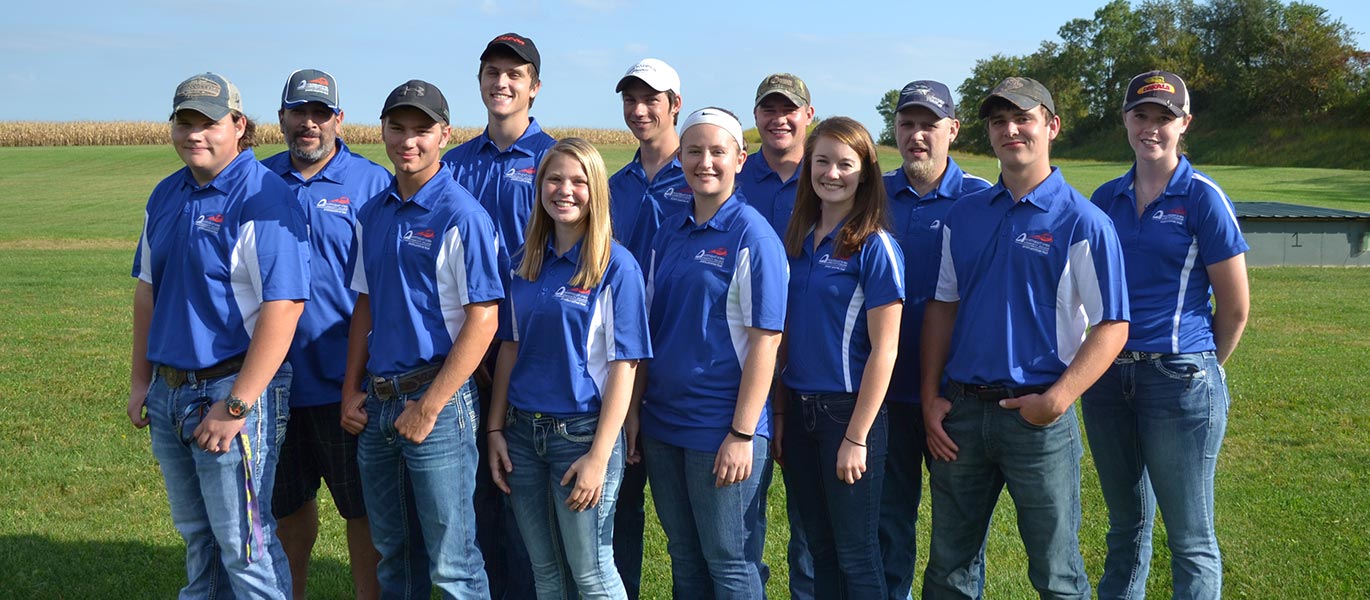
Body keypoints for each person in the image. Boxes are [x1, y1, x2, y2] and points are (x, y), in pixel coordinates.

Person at [920, 77, 1130, 600]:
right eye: (997, 121)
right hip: (963, 416)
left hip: (1037, 418)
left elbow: (1112, 325)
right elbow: (943, 308)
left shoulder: (1084, 221)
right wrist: (930, 397)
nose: (1010, 130)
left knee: (1057, 573)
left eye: (1023, 119)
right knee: (949, 570)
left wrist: (1057, 400)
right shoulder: (963, 215)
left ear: (1051, 127)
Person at [128, 72, 308, 599]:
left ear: (239, 126)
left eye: (208, 122)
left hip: (231, 391)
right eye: (185, 121)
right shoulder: (166, 193)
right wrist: (142, 381)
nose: (195, 134)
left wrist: (236, 406)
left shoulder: (263, 198)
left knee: (244, 545)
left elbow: (285, 306)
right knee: (199, 540)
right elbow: (147, 291)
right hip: (170, 391)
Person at [1083, 70, 1249, 600]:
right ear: (1126, 120)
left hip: (1179, 379)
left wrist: (1199, 366)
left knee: (1190, 538)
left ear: (1184, 124)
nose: (1151, 127)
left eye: (1164, 117)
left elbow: (1236, 308)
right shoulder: (1105, 197)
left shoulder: (1202, 197)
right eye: (1141, 115)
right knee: (1125, 529)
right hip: (1108, 380)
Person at [342, 79, 502, 598]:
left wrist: (430, 407)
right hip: (380, 403)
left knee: (452, 565)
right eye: (398, 128)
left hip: (438, 401)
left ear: (444, 135)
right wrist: (350, 390)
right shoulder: (374, 212)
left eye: (422, 130)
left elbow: (484, 320)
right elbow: (364, 303)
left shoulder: (461, 214)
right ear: (382, 132)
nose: (408, 141)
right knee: (395, 557)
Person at [488, 137, 652, 599]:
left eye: (578, 181)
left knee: (592, 573)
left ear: (596, 191)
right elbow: (510, 348)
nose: (565, 190)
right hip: (522, 435)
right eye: (554, 179)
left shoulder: (616, 267)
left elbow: (626, 365)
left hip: (581, 436)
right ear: (539, 186)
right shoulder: (524, 262)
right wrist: (495, 429)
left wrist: (600, 456)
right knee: (546, 573)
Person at [639, 107, 788, 597]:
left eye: (718, 151)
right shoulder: (669, 230)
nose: (705, 162)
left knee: (730, 564)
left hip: (721, 428)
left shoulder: (753, 236)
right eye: (694, 151)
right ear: (679, 157)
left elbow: (767, 342)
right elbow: (648, 329)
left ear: (740, 159)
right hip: (664, 424)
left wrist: (743, 432)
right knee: (684, 558)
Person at [262, 68, 391, 600]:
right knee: (287, 508)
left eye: (320, 113)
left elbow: (389, 290)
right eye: (299, 113)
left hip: (346, 383)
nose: (309, 124)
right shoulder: (257, 183)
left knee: (362, 511)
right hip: (271, 382)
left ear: (339, 119)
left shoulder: (371, 183)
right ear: (282, 119)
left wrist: (367, 379)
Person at [441, 33, 554, 597]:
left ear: (534, 85)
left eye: (515, 73)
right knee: (474, 491)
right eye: (492, 72)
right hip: (463, 353)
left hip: (530, 352)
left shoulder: (554, 161)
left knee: (523, 492)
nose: (501, 83)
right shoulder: (455, 164)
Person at [777, 116, 904, 598]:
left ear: (866, 173)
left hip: (847, 415)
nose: (831, 173)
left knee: (857, 553)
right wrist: (784, 413)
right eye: (822, 161)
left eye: (845, 164)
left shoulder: (875, 246)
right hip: (802, 409)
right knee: (819, 549)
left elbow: (885, 350)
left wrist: (857, 437)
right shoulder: (798, 243)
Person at [879, 80, 991, 600]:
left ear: (953, 130)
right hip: (882, 392)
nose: (918, 136)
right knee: (887, 528)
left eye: (930, 125)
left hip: (958, 398)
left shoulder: (983, 200)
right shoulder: (870, 194)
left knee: (958, 539)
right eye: (908, 125)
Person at [605, 57, 691, 600]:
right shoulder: (615, 186)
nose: (639, 111)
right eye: (631, 100)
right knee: (620, 505)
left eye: (651, 100)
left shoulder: (705, 171)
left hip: (684, 359)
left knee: (696, 530)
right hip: (621, 358)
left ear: (674, 105)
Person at [739, 71, 817, 598]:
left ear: (807, 114)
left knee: (813, 523)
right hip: (748, 362)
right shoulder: (737, 177)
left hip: (814, 360)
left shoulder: (832, 175)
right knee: (744, 517)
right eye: (768, 109)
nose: (778, 118)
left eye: (789, 109)